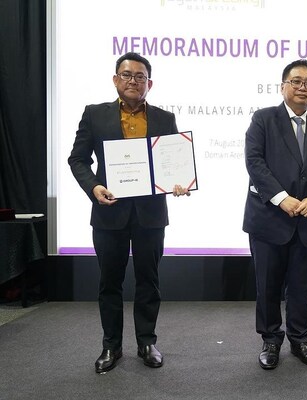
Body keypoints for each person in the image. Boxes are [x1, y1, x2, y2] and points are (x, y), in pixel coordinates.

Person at [68, 52, 190, 373]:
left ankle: (147, 342)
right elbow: (78, 159)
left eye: (139, 77)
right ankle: (111, 346)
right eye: (126, 75)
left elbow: (173, 162)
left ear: (149, 83)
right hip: (109, 213)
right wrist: (94, 187)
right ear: (115, 80)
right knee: (110, 282)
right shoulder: (95, 115)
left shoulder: (164, 118)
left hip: (150, 215)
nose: (133, 81)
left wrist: (179, 182)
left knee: (149, 280)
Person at [242, 59, 307, 370]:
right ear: (282, 86)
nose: (302, 87)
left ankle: (300, 339)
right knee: (268, 286)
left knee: (300, 286)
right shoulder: (263, 119)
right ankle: (271, 340)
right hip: (269, 219)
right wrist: (281, 198)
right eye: (296, 81)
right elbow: (255, 163)